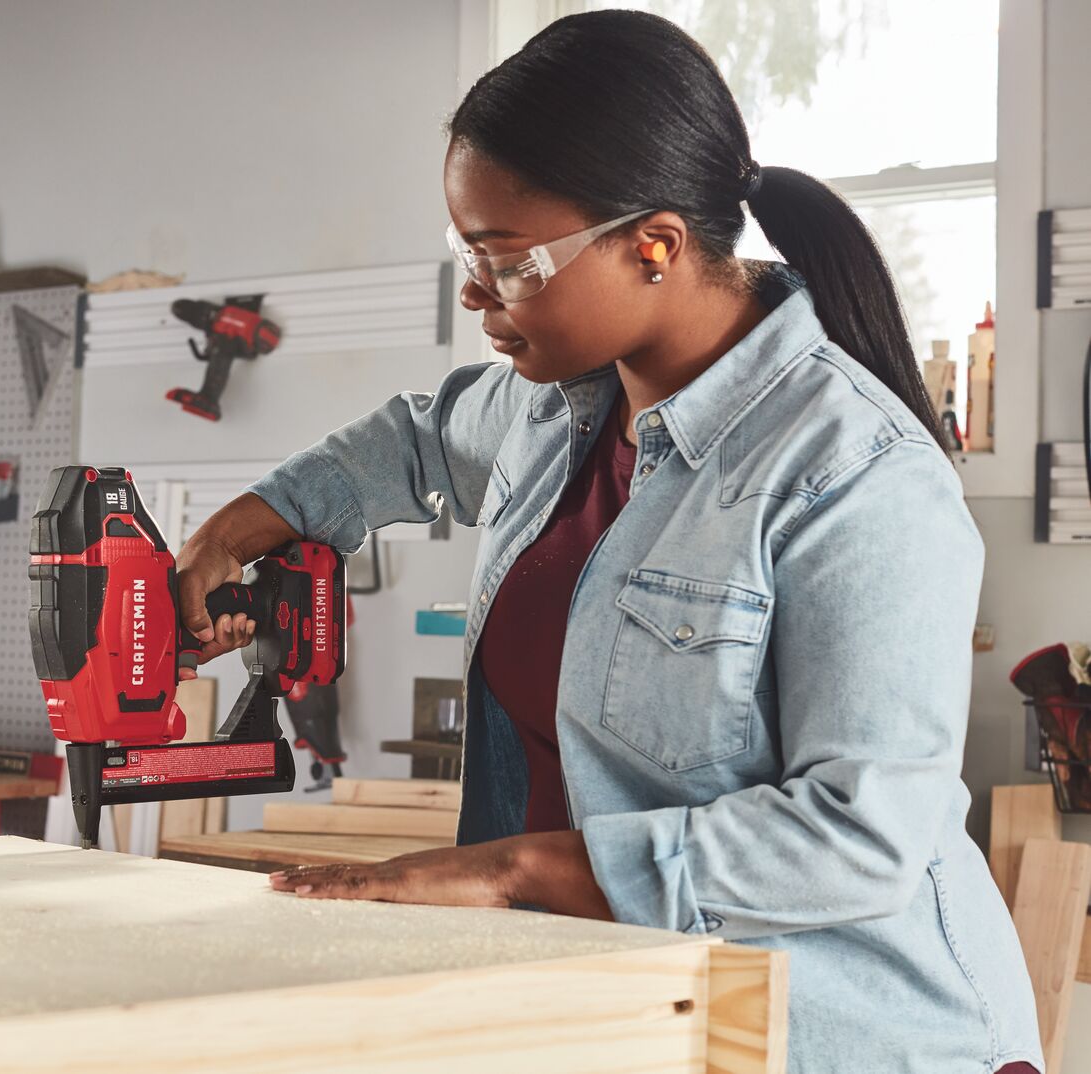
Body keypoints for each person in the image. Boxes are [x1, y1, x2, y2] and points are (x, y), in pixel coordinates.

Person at [174, 11, 1041, 1072]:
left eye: (510, 261)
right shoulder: (557, 409)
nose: (477, 293)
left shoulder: (858, 474)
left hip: (842, 1035)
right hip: (627, 1012)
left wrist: (517, 872)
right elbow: (413, 439)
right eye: (466, 251)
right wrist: (233, 529)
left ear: (656, 245)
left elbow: (860, 837)